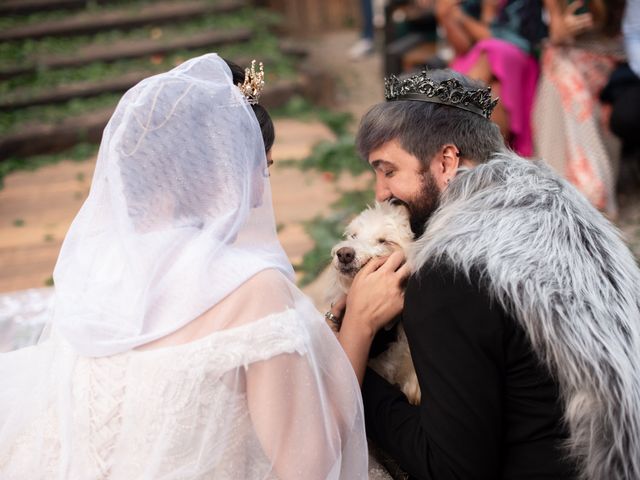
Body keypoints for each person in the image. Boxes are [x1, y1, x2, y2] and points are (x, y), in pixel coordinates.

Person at [0, 53, 369, 479]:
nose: (257, 193)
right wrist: (358, 325)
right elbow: (308, 464)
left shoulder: (99, 271)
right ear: (221, 175)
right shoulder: (254, 290)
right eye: (259, 169)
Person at [332, 68, 640, 479]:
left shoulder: (451, 271)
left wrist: (358, 359)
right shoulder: (570, 216)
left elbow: (451, 470)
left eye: (388, 170)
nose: (380, 192)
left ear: (446, 160)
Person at [533, 0, 626, 217]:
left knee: (563, 73)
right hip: (568, 58)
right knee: (561, 70)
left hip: (611, 60)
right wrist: (564, 30)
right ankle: (586, 185)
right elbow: (556, 33)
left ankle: (579, 185)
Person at [435, 0, 546, 156]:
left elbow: (505, 39)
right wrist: (444, 16)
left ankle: (446, 117)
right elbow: (463, 46)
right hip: (479, 59)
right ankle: (486, 156)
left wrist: (463, 17)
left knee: (492, 52)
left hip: (514, 55)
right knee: (493, 93)